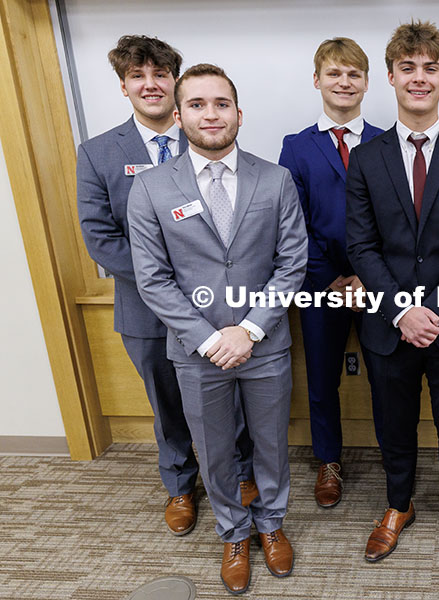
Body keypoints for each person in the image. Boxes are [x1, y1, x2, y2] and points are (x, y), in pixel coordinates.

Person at [128, 64, 307, 595]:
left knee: (272, 445)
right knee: (215, 448)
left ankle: (271, 525)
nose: (212, 114)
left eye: (222, 103)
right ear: (179, 116)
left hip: (265, 344)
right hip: (195, 350)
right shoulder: (153, 187)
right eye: (199, 105)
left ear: (238, 113)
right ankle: (233, 531)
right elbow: (152, 279)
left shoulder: (274, 178)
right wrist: (210, 338)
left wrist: (248, 329)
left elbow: (292, 261)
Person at [76, 36, 257, 539]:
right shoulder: (98, 154)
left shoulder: (209, 136)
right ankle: (180, 483)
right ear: (123, 86)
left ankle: (241, 474)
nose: (151, 85)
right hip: (145, 311)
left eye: (160, 75)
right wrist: (163, 280)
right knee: (167, 402)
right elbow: (99, 237)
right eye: (138, 76)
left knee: (228, 396)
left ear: (176, 84)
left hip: (216, 308)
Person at [346, 20, 439, 572]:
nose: (419, 77)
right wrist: (402, 311)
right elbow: (361, 246)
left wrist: (430, 310)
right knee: (394, 426)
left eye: (430, 68)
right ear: (390, 76)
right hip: (389, 325)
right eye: (407, 67)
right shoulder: (366, 158)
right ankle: (397, 505)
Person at [278, 37, 384, 509]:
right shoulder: (297, 148)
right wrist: (330, 281)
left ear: (366, 82)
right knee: (322, 377)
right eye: (335, 73)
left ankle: (395, 457)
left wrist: (367, 278)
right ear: (317, 80)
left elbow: (398, 221)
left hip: (380, 282)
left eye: (354, 74)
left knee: (387, 374)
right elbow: (292, 223)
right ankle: (328, 460)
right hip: (318, 282)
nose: (344, 82)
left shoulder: (387, 142)